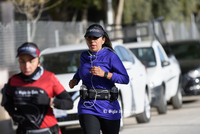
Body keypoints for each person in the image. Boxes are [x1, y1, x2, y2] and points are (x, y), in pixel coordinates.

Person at [69, 24, 129, 134]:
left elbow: (125, 79)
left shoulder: (111, 56)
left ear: (103, 39)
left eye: (96, 38)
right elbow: (81, 70)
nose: (92, 41)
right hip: (87, 106)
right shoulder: (83, 56)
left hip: (108, 106)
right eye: (89, 38)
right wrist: (75, 80)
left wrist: (105, 74)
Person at [1, 42, 73, 134]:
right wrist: (14, 114)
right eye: (22, 61)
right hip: (24, 131)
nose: (27, 66)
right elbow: (6, 102)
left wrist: (49, 101)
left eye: (31, 61)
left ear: (38, 61)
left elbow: (69, 103)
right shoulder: (13, 81)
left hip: (48, 131)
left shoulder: (49, 78)